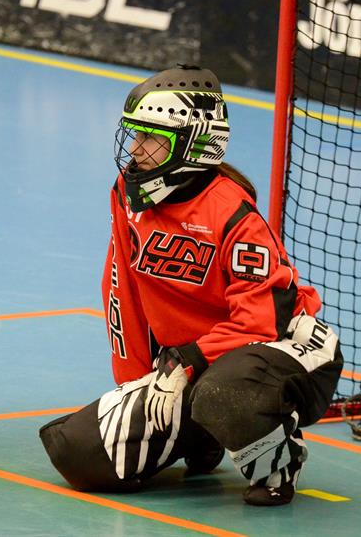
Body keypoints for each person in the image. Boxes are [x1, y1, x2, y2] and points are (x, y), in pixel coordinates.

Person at [39, 65, 343, 506]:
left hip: (284, 347)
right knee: (76, 453)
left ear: (194, 143)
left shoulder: (233, 214)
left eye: (151, 138)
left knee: (224, 394)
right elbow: (121, 290)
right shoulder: (127, 194)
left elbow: (261, 320)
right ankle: (202, 432)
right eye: (135, 134)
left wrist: (188, 362)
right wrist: (139, 385)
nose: (135, 149)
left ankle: (276, 466)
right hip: (193, 361)